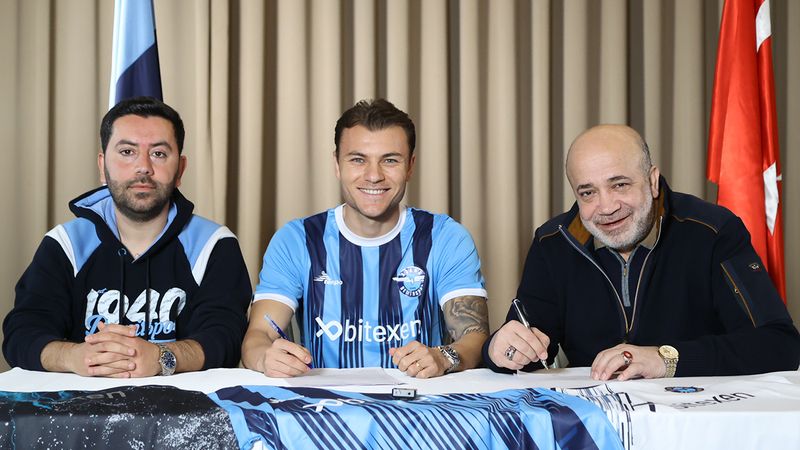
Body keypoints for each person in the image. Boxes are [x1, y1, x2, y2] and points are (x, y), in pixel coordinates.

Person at [483, 124, 800, 380]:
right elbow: (526, 348)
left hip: (698, 418)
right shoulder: (553, 242)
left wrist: (666, 359)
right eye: (588, 192)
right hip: (596, 422)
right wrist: (499, 350)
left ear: (652, 181)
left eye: (619, 185)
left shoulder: (713, 231)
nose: (606, 207)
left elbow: (780, 344)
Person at [2, 97, 252, 377]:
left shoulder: (214, 244)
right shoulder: (66, 244)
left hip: (183, 401)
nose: (143, 167)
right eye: (127, 152)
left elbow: (227, 337)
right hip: (80, 400)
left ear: (180, 169)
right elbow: (21, 333)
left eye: (159, 153)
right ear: (102, 166)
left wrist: (162, 357)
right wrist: (74, 357)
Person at [242, 99, 489, 378]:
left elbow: (476, 337)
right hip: (323, 402)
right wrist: (266, 358)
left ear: (410, 166)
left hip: (419, 401)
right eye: (358, 160)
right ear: (337, 164)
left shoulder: (445, 237)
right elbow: (258, 336)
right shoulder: (296, 239)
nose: (373, 176)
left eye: (390, 160)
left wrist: (443, 357)